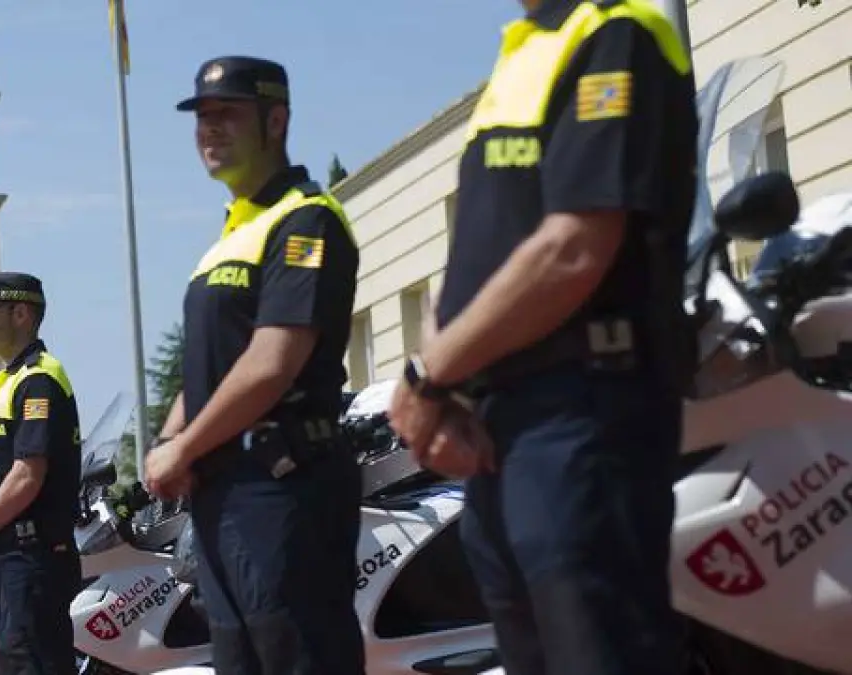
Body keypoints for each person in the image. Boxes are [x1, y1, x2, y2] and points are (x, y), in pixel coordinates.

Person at [387, 1, 698, 674]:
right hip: (499, 430)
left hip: (582, 418)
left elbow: (573, 248)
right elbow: (477, 256)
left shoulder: (616, 33)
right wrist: (450, 390)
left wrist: (428, 377)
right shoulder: (521, 56)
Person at [143, 56, 364, 675]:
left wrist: (183, 448)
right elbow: (206, 370)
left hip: (285, 483)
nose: (209, 128)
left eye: (228, 114)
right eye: (202, 117)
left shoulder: (305, 218)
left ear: (276, 120)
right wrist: (167, 442)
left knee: (298, 654)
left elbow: (272, 362)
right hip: (225, 490)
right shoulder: (229, 237)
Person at [0, 272, 83, 675]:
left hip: (33, 556)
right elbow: (2, 475)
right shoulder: (12, 380)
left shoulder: (39, 378)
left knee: (33, 662)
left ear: (21, 314)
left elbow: (28, 473)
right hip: (11, 557)